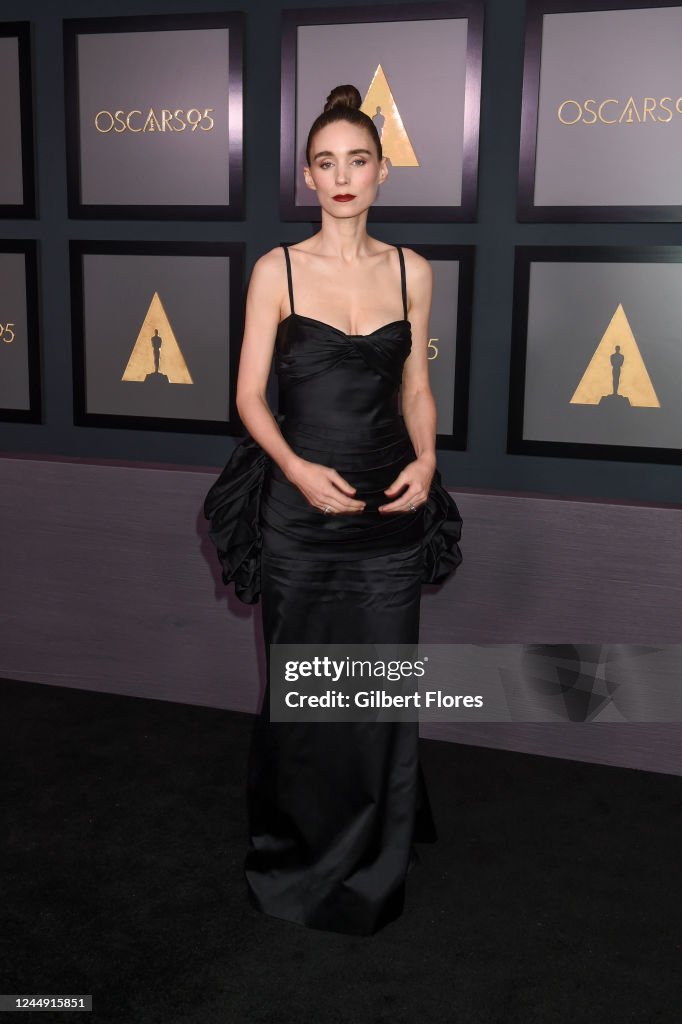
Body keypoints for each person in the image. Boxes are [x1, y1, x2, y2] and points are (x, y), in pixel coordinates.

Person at [203, 84, 463, 936]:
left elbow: (416, 388)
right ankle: (300, 850)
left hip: (390, 510)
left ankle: (378, 850)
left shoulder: (412, 271)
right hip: (299, 516)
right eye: (326, 162)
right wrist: (294, 468)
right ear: (307, 176)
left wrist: (428, 459)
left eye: (358, 160)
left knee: (379, 687)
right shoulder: (276, 271)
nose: (343, 176)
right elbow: (249, 397)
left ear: (383, 172)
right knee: (304, 687)